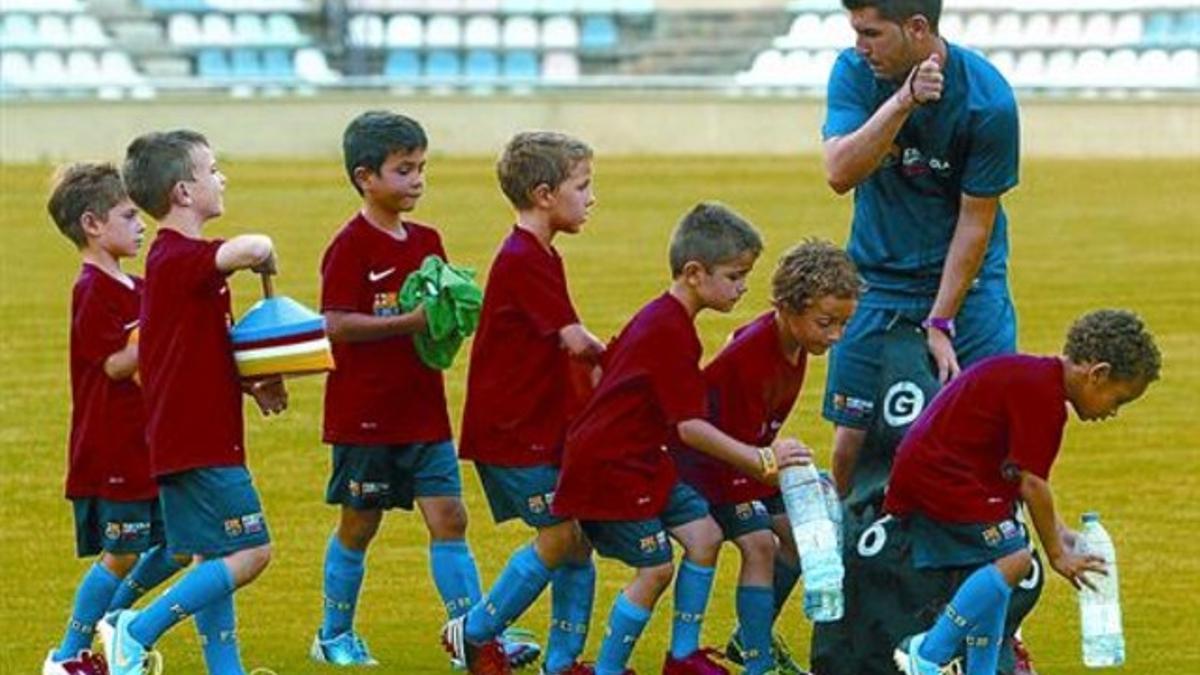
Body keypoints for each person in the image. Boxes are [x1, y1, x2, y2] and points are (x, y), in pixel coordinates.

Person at [314, 111, 537, 669]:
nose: (417, 180)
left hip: (423, 410)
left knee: (450, 518)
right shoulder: (349, 246)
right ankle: (333, 634)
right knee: (359, 525)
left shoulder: (427, 239)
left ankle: (472, 636)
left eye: (420, 168)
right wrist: (410, 322)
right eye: (403, 169)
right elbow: (336, 324)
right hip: (365, 415)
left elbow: (434, 311)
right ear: (366, 177)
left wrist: (454, 315)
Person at [553, 203, 811, 675]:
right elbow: (690, 428)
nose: (743, 287)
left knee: (704, 534)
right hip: (613, 466)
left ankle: (683, 656)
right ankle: (609, 669)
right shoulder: (668, 330)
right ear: (695, 273)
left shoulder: (668, 322)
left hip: (646, 460)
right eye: (735, 276)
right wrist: (762, 460)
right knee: (655, 568)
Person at [821, 0, 1020, 507]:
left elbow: (976, 222)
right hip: (876, 281)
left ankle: (990, 565)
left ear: (917, 28)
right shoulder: (853, 72)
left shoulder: (987, 100)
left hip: (969, 285)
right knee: (852, 440)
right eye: (855, 32)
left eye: (872, 33)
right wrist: (902, 102)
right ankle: (838, 567)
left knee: (990, 436)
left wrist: (941, 321)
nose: (859, 46)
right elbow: (839, 172)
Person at [888, 309, 1160, 675]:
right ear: (1099, 374)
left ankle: (980, 670)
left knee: (1000, 565)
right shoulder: (1043, 397)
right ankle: (928, 652)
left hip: (955, 477)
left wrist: (1060, 530)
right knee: (1015, 560)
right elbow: (1033, 483)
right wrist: (1056, 554)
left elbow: (1018, 473)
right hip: (942, 478)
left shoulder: (1036, 379)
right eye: (1118, 400)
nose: (1113, 412)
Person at [106, 130, 287, 675]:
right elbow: (250, 247)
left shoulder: (186, 266)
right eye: (213, 169)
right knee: (252, 551)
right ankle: (133, 631)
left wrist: (252, 385)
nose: (221, 177)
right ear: (184, 191)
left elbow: (191, 354)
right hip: (198, 440)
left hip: (193, 432)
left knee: (212, 553)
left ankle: (224, 669)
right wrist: (265, 253)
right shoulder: (177, 257)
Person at [441, 131, 604, 675]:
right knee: (559, 536)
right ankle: (475, 632)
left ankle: (563, 663)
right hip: (515, 432)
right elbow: (576, 341)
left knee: (578, 537)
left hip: (541, 425)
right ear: (543, 194)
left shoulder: (540, 254)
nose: (591, 197)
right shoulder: (522, 259)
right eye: (582, 186)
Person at [670, 240, 859, 675]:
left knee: (797, 537)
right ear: (790, 307)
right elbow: (725, 440)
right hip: (708, 468)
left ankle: (748, 640)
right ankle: (757, 662)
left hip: (744, 461)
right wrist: (784, 475)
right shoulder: (752, 355)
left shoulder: (794, 345)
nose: (835, 336)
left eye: (844, 324)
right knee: (761, 545)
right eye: (826, 323)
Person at [43, 163, 188, 674]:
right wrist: (163, 323)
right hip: (113, 447)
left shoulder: (141, 285)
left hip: (153, 444)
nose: (142, 223)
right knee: (121, 552)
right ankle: (67, 657)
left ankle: (117, 623)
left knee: (180, 545)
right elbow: (116, 363)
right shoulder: (92, 291)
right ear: (92, 224)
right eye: (129, 215)